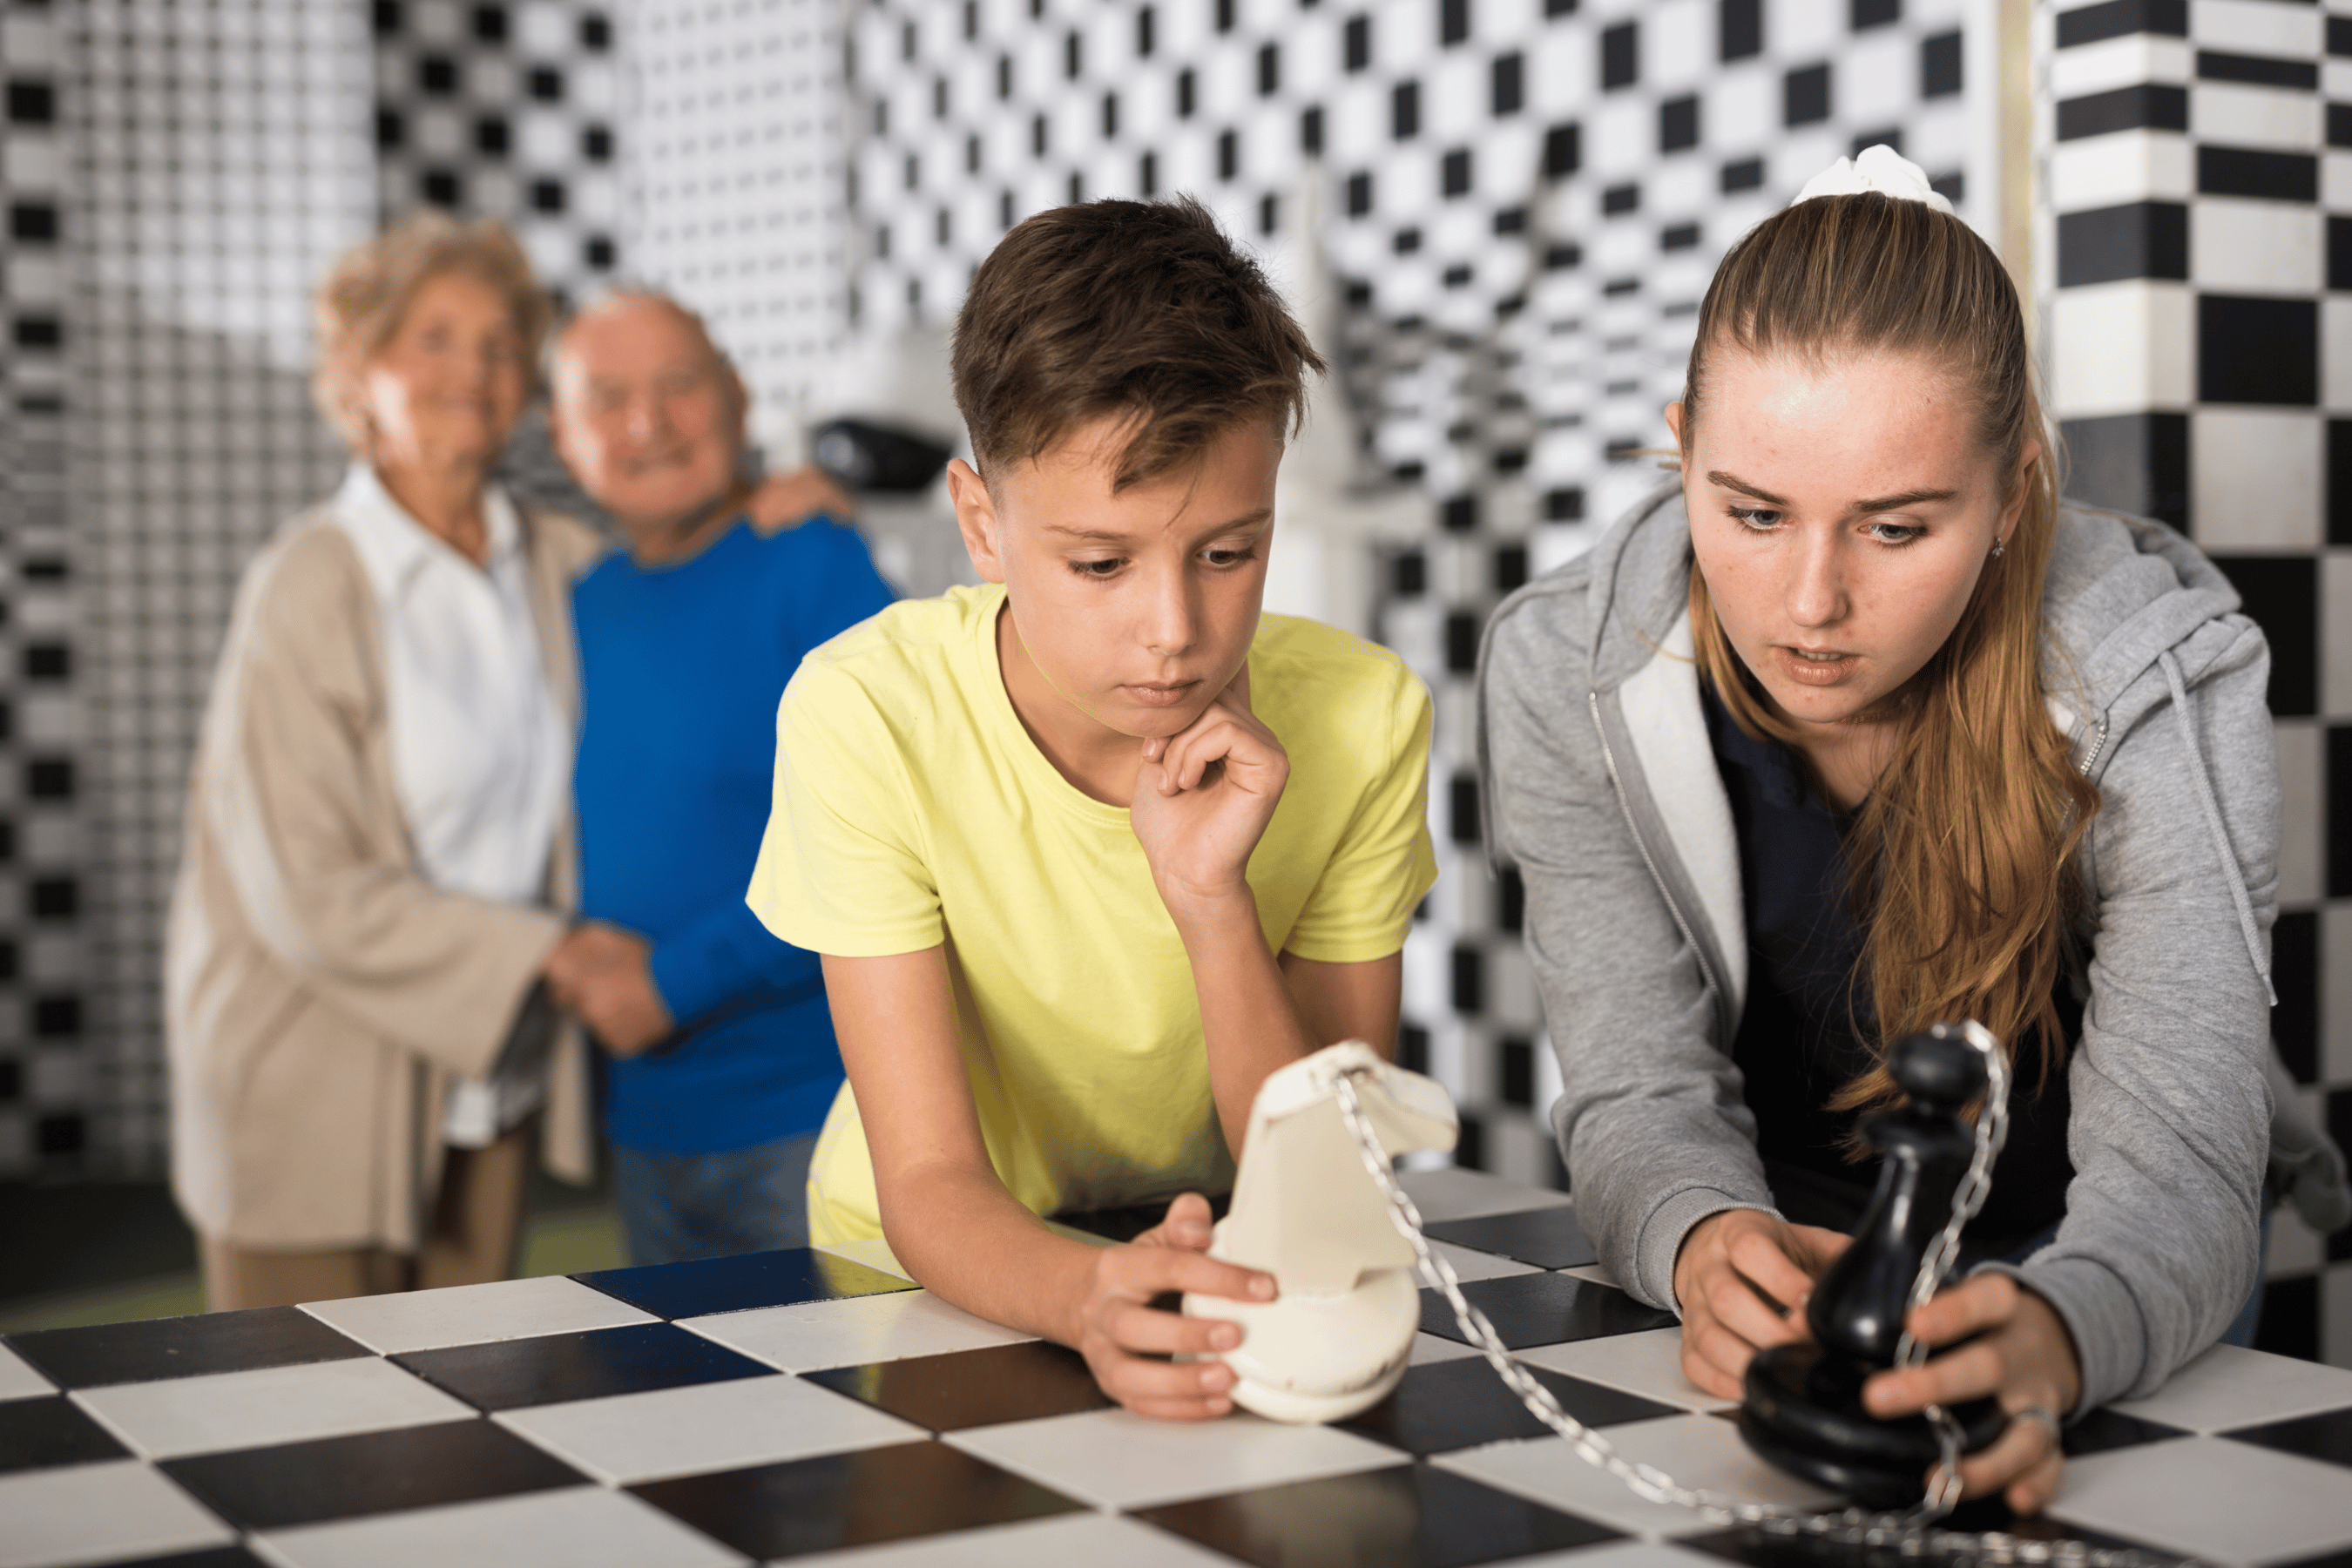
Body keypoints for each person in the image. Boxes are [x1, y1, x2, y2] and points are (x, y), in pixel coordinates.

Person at [1478, 147, 2330, 1514]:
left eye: (1896, 526)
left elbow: (2183, 1159)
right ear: (1678, 452)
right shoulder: (1562, 670)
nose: (1809, 602)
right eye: (1751, 512)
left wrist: (2064, 1326)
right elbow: (1639, 1085)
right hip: (1782, 1274)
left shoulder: (2163, 678)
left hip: (2101, 1278)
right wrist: (1701, 1240)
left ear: (2009, 500)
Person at [745, 197, 1438, 1420]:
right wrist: (1090, 1295)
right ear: (982, 525)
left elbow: (1334, 1174)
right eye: (1102, 563)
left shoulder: (1366, 717)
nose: (1174, 634)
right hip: (919, 1269)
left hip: (1223, 1252)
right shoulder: (866, 714)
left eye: (1228, 553)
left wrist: (1211, 901)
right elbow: (928, 1179)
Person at [167, 213, 610, 1309]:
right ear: (359, 375)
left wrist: (784, 500)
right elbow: (304, 890)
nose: (477, 369)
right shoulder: (308, 583)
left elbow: (692, 567)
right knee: (305, 1453)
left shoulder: (564, 562)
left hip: (485, 1076)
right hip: (307, 1082)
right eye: (435, 339)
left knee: (457, 1435)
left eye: (503, 344)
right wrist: (554, 957)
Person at [546, 287, 896, 1265]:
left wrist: (673, 982)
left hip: (811, 1110)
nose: (648, 422)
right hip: (643, 1122)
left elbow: (883, 831)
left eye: (679, 385)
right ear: (564, 438)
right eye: (607, 398)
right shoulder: (578, 601)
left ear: (738, 397)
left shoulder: (813, 564)